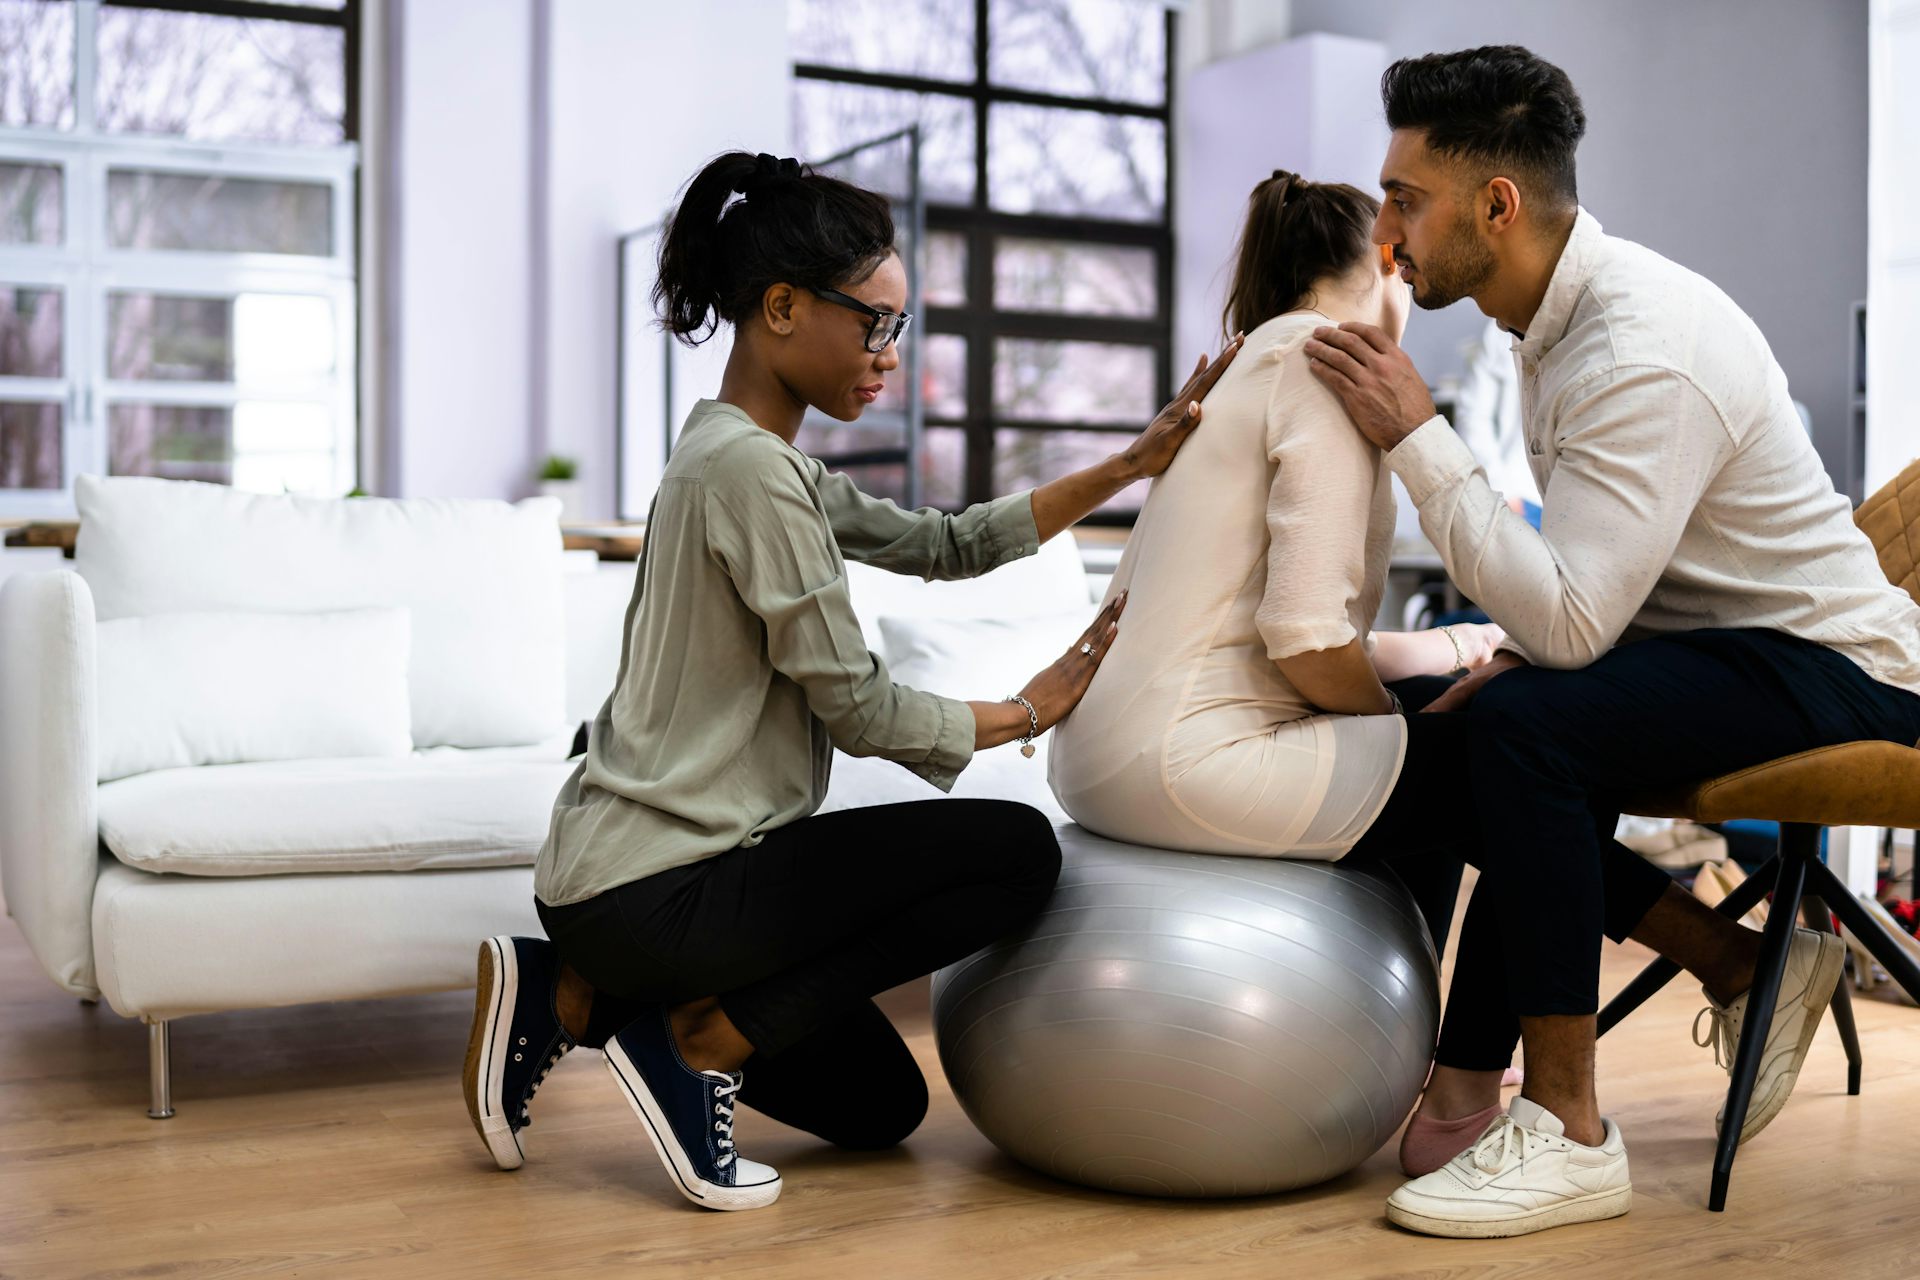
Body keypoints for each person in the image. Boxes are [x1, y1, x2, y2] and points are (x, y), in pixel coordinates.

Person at [458, 151, 1243, 1212]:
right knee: (1013, 852)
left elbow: (947, 543)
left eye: (895, 328)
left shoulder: (748, 454)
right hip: (664, 886)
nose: (886, 355)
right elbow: (860, 706)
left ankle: (576, 993)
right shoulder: (749, 474)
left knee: (880, 1106)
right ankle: (694, 1039)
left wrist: (1125, 467)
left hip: (628, 891)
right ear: (782, 307)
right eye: (872, 323)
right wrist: (1027, 710)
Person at [1303, 46, 1920, 1238]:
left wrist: (1419, 440)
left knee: (1532, 727)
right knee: (1458, 731)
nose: (1386, 230)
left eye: (1406, 197)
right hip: (1730, 646)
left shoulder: (1642, 344)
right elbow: (1598, 589)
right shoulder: (1545, 322)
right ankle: (1715, 966)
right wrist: (1518, 650)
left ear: (1499, 205)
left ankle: (1573, 1131)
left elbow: (1577, 620)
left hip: (1845, 672)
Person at [1048, 170, 1508, 959]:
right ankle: (1719, 959)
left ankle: (1440, 1044)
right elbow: (1303, 637)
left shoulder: (1251, 359)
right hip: (1183, 767)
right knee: (1516, 766)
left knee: (1442, 719)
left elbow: (1279, 639)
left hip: (1097, 759)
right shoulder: (1329, 364)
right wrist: (1400, 726)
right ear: (1388, 261)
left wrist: (1461, 653)